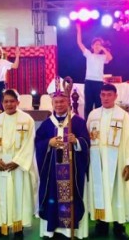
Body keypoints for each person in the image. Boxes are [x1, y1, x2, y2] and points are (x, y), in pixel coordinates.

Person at [35, 81, 90, 239]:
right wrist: (48, 143)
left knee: (71, 198)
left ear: (68, 102)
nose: (59, 105)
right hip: (52, 172)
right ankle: (51, 230)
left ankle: (70, 230)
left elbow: (86, 143)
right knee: (53, 197)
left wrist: (77, 142)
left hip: (72, 172)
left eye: (62, 101)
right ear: (52, 103)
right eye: (56, 102)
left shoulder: (77, 122)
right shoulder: (46, 124)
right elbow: (38, 144)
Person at [87, 83, 129, 239]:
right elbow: (87, 138)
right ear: (100, 96)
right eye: (103, 94)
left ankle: (118, 226)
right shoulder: (93, 114)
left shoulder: (123, 116)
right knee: (100, 191)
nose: (105, 98)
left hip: (117, 162)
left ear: (115, 96)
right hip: (97, 161)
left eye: (109, 95)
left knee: (117, 193)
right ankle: (102, 223)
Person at [0, 89, 35, 240]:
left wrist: (18, 161)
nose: (9, 104)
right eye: (6, 101)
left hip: (18, 165)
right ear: (2, 103)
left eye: (12, 101)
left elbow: (29, 143)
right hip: (0, 164)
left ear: (18, 102)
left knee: (18, 196)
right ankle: (1, 227)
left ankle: (18, 228)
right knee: (0, 196)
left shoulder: (27, 120)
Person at [76, 23, 113, 120]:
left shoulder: (102, 57)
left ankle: (98, 122)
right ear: (92, 46)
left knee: (98, 104)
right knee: (88, 105)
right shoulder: (89, 54)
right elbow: (80, 43)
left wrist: (103, 48)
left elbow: (110, 58)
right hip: (89, 82)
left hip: (99, 83)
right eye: (96, 44)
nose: (97, 46)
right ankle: (87, 124)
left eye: (99, 44)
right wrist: (79, 30)